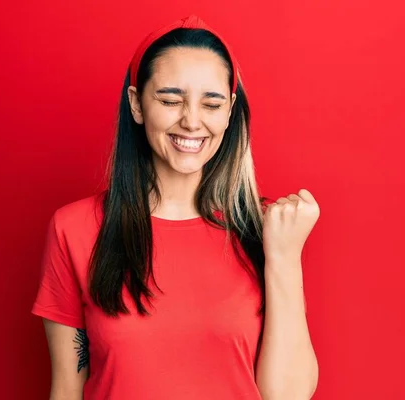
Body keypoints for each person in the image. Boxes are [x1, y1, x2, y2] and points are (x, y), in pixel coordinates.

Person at [32, 14, 319, 400]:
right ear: (136, 104)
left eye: (212, 104)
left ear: (230, 111)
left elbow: (288, 396)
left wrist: (283, 257)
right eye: (170, 100)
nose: (191, 121)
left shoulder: (265, 230)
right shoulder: (75, 228)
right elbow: (67, 389)